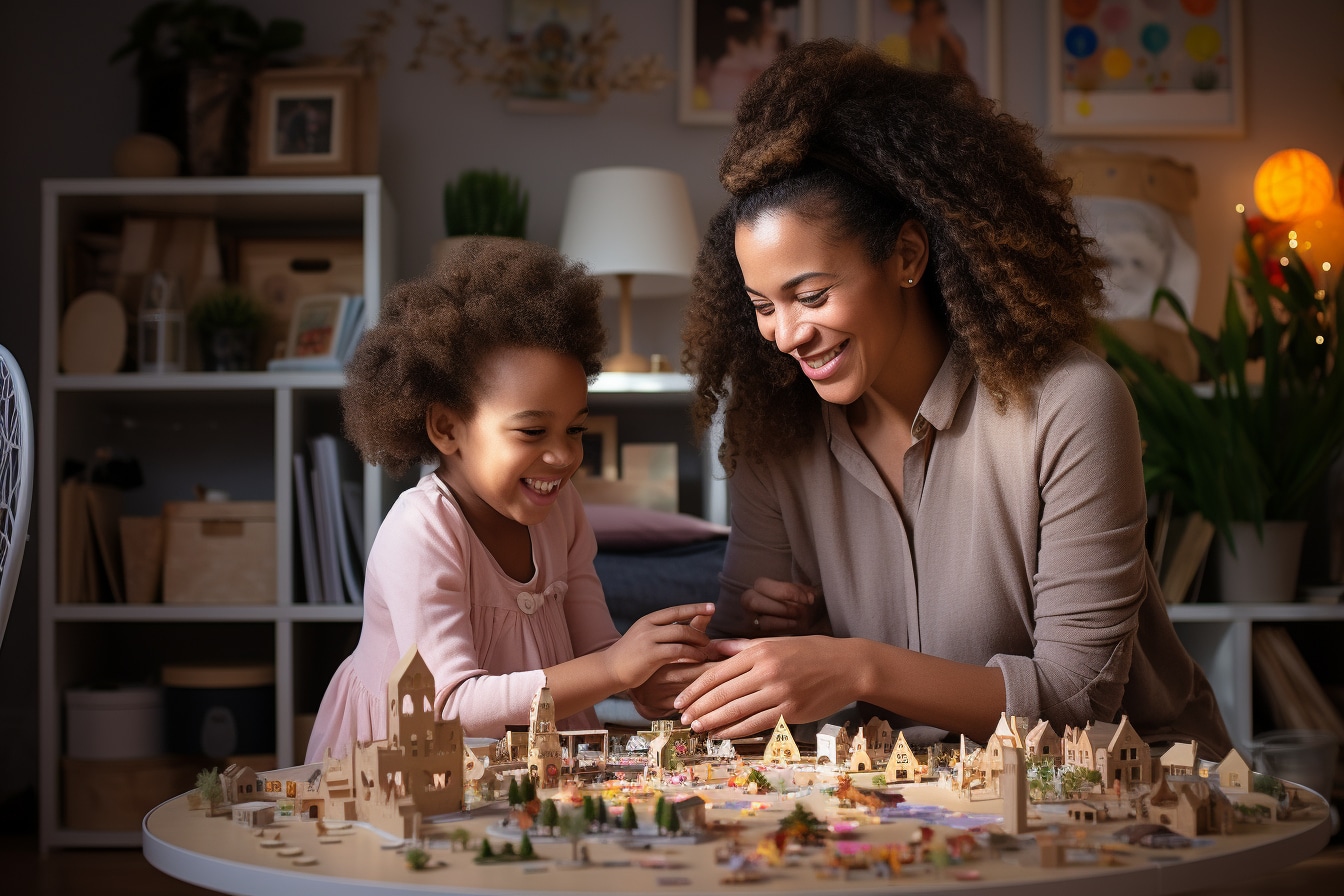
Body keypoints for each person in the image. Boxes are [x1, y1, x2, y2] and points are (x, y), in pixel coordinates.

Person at [653, 39, 1230, 758]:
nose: (786, 335)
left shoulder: (1070, 403)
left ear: (906, 257)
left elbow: (1081, 698)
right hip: (904, 797)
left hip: (1114, 788)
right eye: (762, 305)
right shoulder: (772, 431)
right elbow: (752, 695)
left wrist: (857, 665)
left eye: (811, 295)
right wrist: (756, 651)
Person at [306, 239, 715, 761]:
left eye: (575, 428)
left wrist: (646, 673)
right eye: (532, 432)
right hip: (412, 761)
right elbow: (450, 705)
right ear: (446, 427)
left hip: (525, 756)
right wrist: (613, 670)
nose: (564, 455)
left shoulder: (561, 510)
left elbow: (594, 649)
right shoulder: (420, 532)